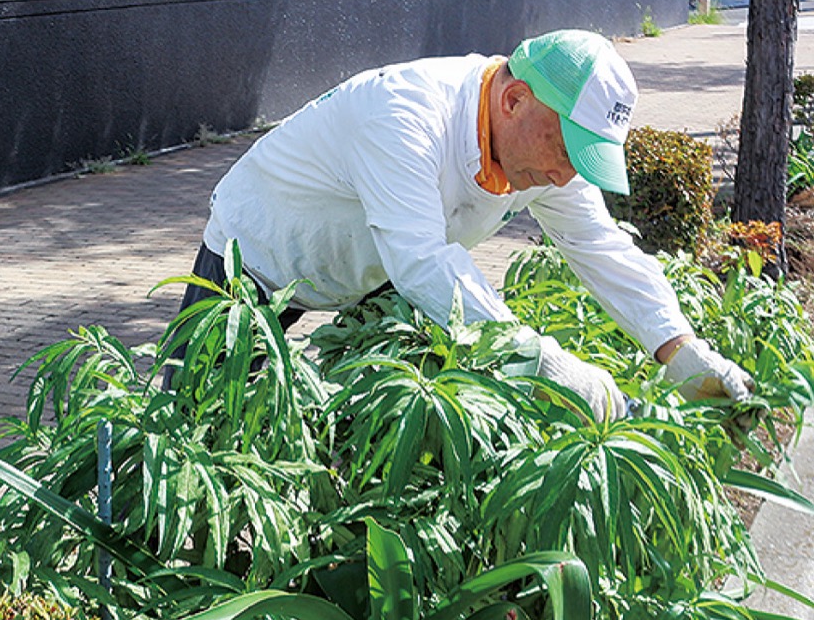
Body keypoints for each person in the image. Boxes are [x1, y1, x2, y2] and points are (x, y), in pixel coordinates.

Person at [182, 29, 753, 420]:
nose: (562, 176)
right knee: (195, 427)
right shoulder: (403, 115)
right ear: (514, 101)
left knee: (376, 424)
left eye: (580, 160)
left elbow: (598, 244)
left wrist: (680, 349)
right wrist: (545, 363)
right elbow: (424, 261)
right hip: (254, 259)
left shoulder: (541, 155)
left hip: (369, 270)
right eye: (563, 149)